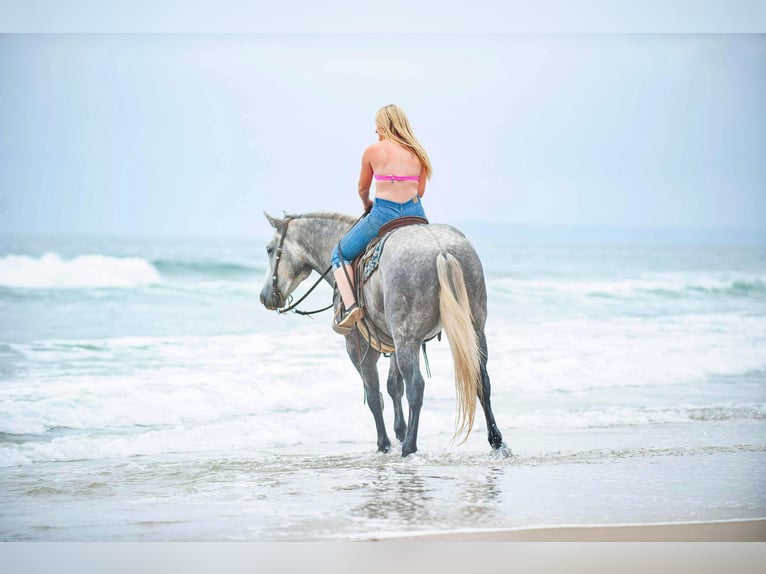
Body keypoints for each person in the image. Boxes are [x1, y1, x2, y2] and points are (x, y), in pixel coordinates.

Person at [332, 104, 433, 330]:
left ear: (384, 125)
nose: (375, 132)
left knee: (339, 254)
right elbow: (420, 192)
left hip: (383, 215)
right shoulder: (419, 152)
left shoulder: (372, 151)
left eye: (376, 126)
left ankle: (351, 308)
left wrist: (367, 203)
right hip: (416, 214)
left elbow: (362, 188)